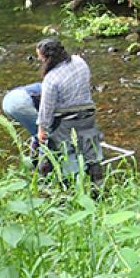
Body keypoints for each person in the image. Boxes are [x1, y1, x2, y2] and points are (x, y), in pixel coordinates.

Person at [34, 38, 104, 185]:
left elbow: (46, 108)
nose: (40, 60)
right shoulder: (80, 61)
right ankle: (98, 186)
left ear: (47, 58)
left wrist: (41, 129)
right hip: (88, 116)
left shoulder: (51, 78)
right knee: (91, 151)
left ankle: (67, 186)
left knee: (65, 153)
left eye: (40, 57)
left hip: (65, 122)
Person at [2, 82, 42, 152]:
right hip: (21, 101)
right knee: (43, 134)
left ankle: (34, 156)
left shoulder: (46, 84)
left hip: (7, 100)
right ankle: (43, 156)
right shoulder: (55, 92)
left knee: (35, 133)